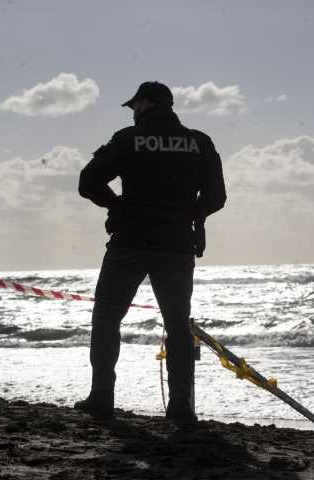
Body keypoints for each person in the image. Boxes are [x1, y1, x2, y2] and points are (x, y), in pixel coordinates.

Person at [75, 81, 226, 424]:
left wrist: (117, 206)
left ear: (144, 105)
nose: (132, 114)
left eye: (134, 107)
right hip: (176, 245)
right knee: (177, 324)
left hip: (130, 241)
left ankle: (101, 396)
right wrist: (196, 219)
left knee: (107, 319)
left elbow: (88, 181)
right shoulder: (199, 142)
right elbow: (216, 196)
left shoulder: (128, 140)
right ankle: (181, 404)